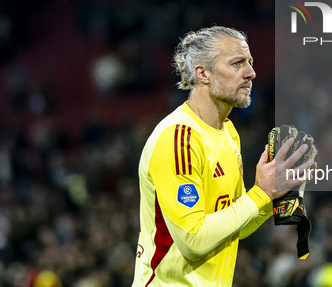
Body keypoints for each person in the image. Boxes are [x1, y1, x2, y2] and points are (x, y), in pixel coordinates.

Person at [131, 25, 314, 286]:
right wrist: (260, 193)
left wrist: (268, 196)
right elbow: (194, 239)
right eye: (237, 63)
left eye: (250, 63)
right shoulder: (179, 139)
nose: (251, 73)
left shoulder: (228, 132)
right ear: (202, 73)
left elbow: (233, 228)